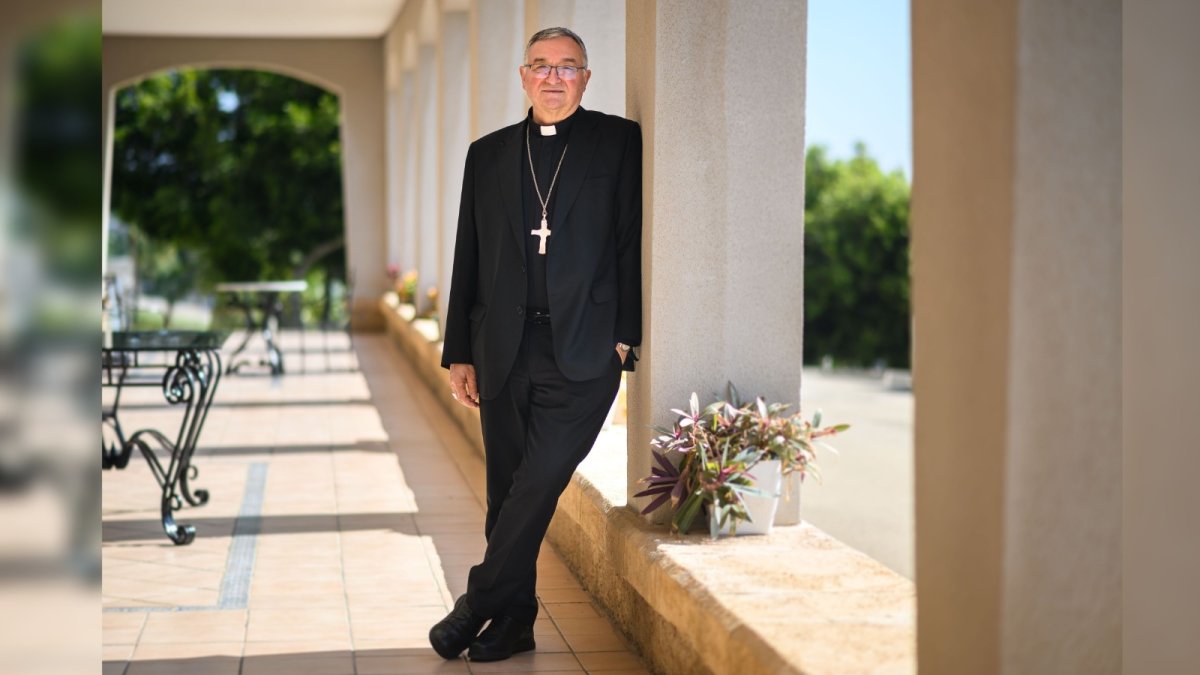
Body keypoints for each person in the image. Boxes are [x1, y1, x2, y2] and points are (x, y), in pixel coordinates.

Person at [429, 26, 642, 662]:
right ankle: (516, 621)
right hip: (502, 348)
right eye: (542, 67)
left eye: (568, 67)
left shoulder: (617, 142)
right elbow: (468, 254)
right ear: (523, 77)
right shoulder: (488, 154)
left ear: (586, 77)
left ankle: (477, 603)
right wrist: (457, 349)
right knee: (505, 491)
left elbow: (632, 239)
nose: (554, 78)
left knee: (538, 482)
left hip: (587, 348)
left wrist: (626, 336)